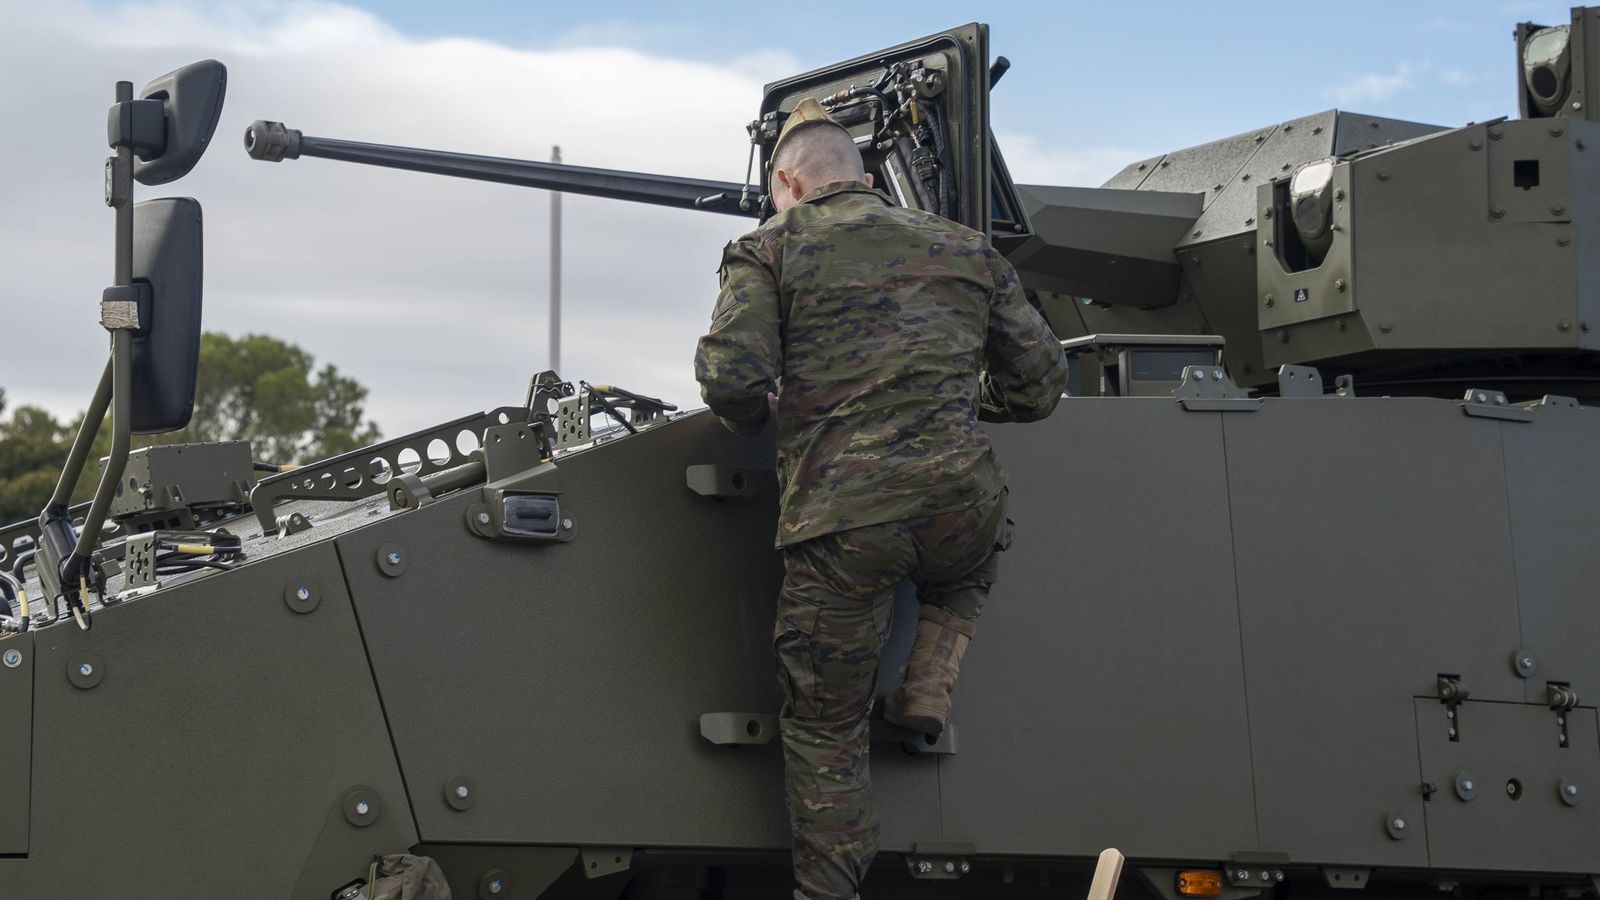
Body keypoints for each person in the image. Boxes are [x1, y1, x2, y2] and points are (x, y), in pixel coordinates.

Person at [693, 98, 1068, 900]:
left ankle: (829, 891)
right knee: (971, 549)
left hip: (846, 524)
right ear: (865, 179)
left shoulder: (769, 247)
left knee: (825, 723)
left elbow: (731, 376)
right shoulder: (966, 248)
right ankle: (932, 671)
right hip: (958, 505)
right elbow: (1038, 389)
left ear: (788, 182)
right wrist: (952, 409)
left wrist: (763, 417)